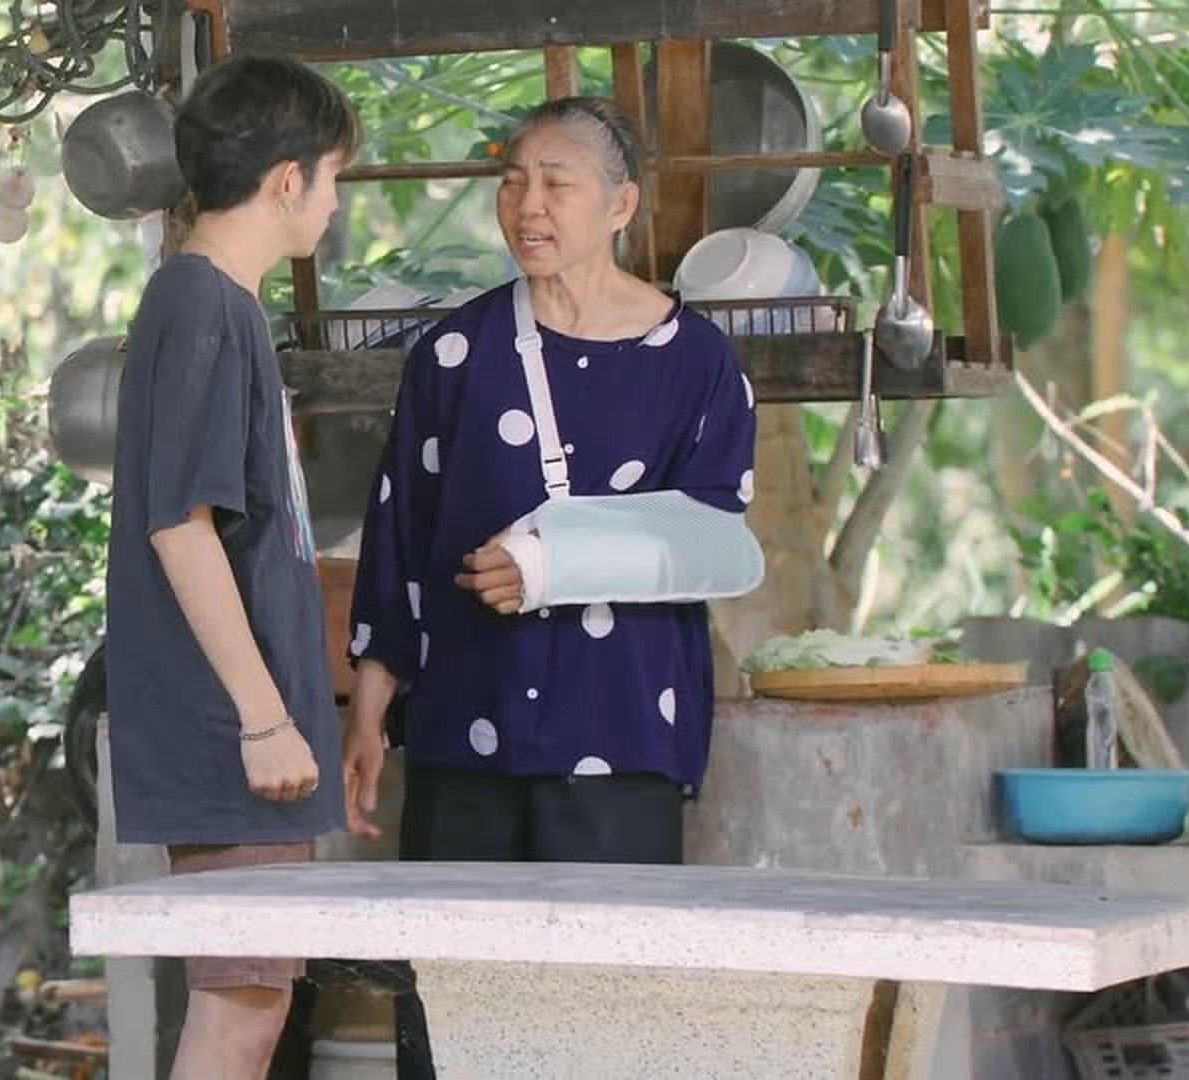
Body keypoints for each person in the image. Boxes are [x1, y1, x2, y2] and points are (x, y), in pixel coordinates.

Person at [341, 95, 764, 1075]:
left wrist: (551, 564)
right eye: (512, 181)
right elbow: (400, 536)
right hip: (465, 731)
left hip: (623, 733)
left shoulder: (699, 364)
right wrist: (368, 704)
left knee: (604, 1026)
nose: (527, 204)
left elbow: (712, 539)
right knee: (454, 1021)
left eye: (555, 183)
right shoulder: (454, 354)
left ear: (620, 206)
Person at [103, 54, 371, 1080]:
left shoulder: (217, 303)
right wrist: (264, 720)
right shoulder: (204, 304)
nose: (334, 203)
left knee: (250, 1009)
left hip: (247, 733)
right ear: (288, 179)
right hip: (231, 736)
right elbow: (181, 529)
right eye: (333, 177)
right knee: (240, 1014)